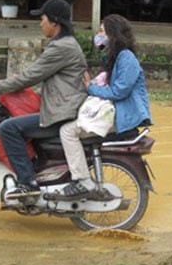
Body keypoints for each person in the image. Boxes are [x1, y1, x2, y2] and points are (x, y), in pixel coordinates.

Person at [0, 0, 87, 200]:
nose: (40, 23)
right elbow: (38, 81)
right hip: (62, 108)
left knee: (8, 128)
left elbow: (27, 77)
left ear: (55, 22)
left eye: (43, 19)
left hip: (61, 115)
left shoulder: (62, 47)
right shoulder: (64, 44)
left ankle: (27, 183)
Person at [54, 14, 152, 201]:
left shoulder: (126, 58)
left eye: (102, 31)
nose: (98, 35)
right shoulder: (116, 57)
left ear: (113, 34)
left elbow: (118, 92)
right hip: (113, 112)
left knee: (67, 131)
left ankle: (82, 180)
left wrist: (90, 87)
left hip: (122, 117)